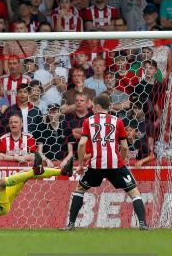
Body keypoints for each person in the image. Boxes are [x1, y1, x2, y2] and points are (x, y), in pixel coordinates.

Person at [62, 94, 148, 231]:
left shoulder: (88, 121)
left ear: (97, 106)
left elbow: (82, 144)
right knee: (134, 193)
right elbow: (125, 146)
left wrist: (80, 165)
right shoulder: (118, 121)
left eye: (93, 106)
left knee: (79, 190)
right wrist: (123, 159)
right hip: (116, 164)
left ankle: (70, 225)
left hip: (96, 165)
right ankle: (143, 225)